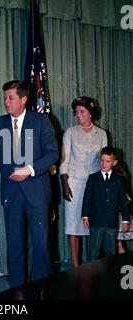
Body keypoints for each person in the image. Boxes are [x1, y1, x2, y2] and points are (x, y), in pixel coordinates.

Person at [0, 80, 59, 287]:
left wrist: (30, 170)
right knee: (14, 244)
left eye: (11, 98)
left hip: (37, 193)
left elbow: (53, 153)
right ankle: (16, 290)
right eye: (5, 97)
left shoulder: (41, 121)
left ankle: (41, 289)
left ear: (23, 99)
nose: (6, 102)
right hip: (11, 192)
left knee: (41, 245)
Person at [59, 96, 107, 267]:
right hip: (74, 184)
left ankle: (94, 264)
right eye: (76, 111)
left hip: (94, 186)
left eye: (82, 111)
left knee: (94, 225)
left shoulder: (101, 134)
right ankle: (76, 266)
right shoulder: (70, 133)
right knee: (73, 227)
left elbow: (105, 161)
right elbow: (64, 160)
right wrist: (65, 184)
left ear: (91, 114)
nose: (78, 114)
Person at [82, 146, 130, 261]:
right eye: (102, 160)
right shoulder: (93, 178)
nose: (104, 164)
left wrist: (125, 219)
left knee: (111, 252)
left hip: (111, 222)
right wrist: (85, 215)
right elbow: (87, 198)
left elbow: (123, 201)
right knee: (94, 251)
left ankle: (109, 276)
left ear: (114, 162)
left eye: (108, 161)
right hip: (96, 221)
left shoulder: (119, 180)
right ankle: (92, 276)